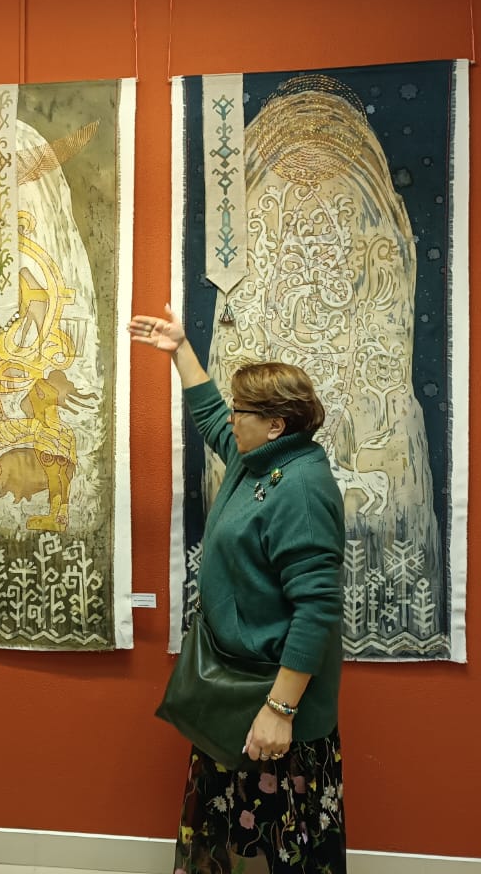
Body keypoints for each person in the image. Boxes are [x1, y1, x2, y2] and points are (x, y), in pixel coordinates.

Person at [130, 305, 347, 874]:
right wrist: (179, 348)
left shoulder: (301, 489)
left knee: (276, 846)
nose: (231, 418)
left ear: (275, 424)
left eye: (241, 410)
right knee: (229, 839)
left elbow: (317, 609)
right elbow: (210, 418)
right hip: (236, 691)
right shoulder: (258, 461)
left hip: (270, 702)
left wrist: (280, 710)